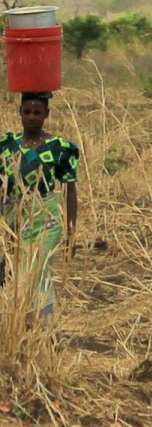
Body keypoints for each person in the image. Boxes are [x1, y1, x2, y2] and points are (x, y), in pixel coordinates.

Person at [0, 92, 80, 324]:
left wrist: (71, 232)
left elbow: (70, 190)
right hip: (13, 215)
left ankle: (45, 327)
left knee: (38, 268)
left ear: (47, 114)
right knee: (15, 272)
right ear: (20, 112)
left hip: (46, 216)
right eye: (27, 112)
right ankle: (22, 324)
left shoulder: (60, 148)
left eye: (37, 112)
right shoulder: (7, 146)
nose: (32, 117)